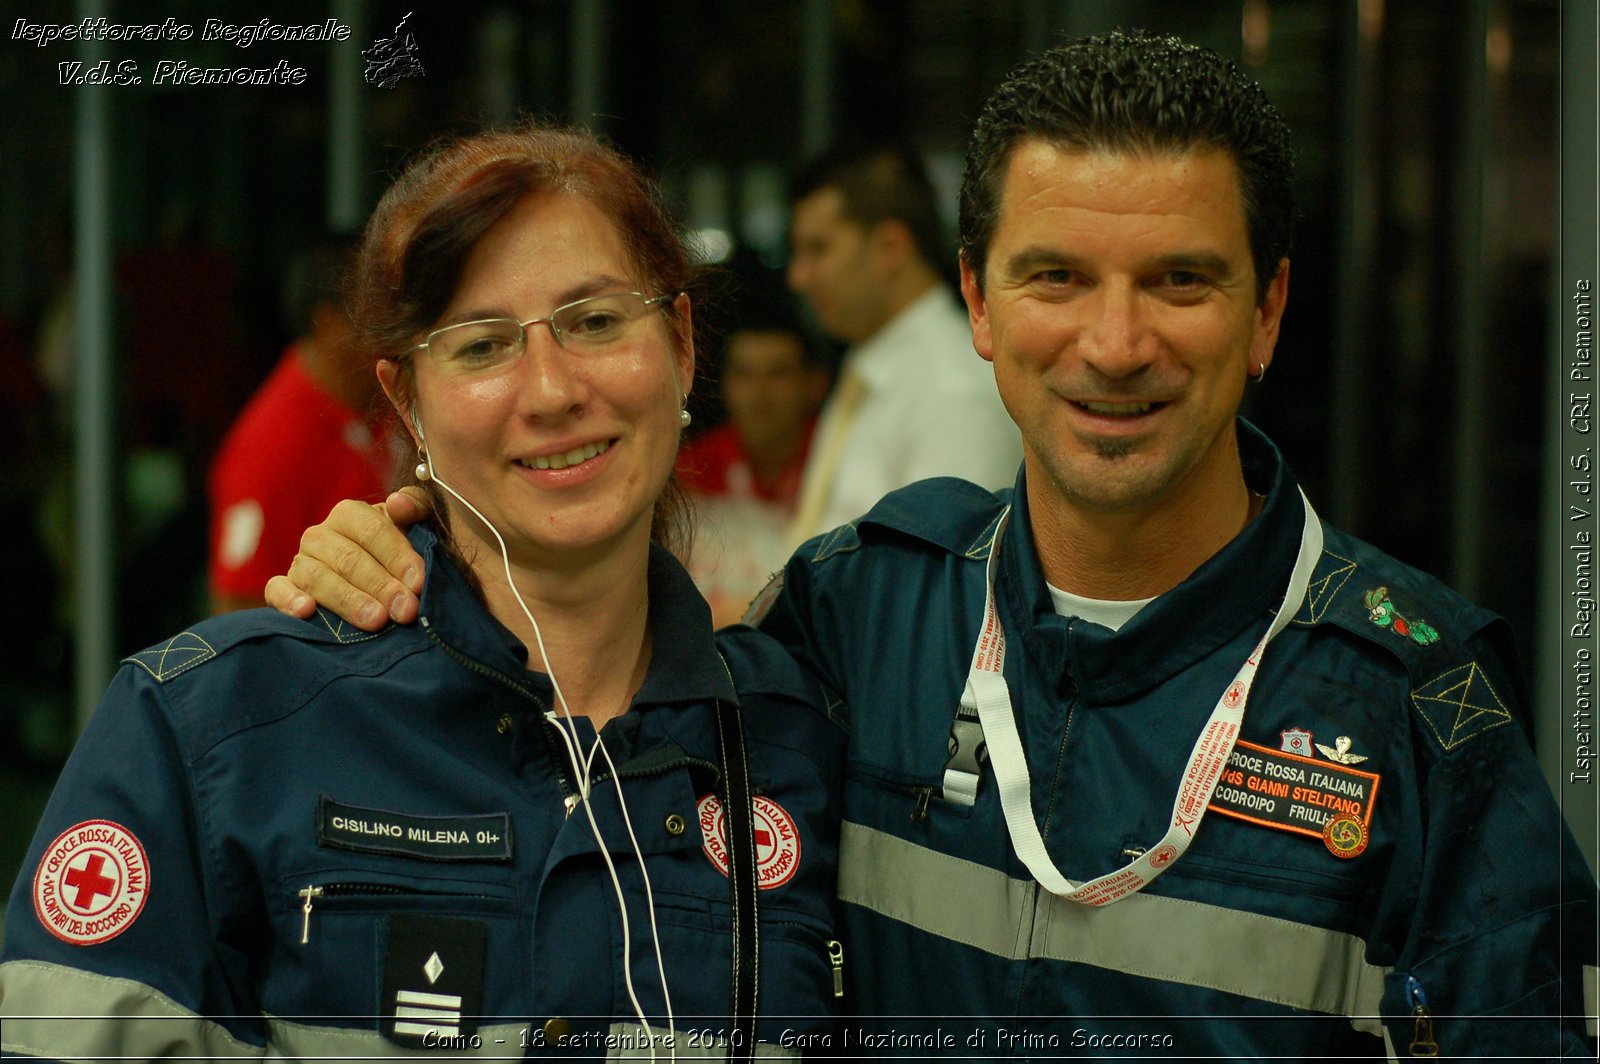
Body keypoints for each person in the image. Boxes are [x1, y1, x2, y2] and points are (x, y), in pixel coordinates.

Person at [264, 33, 1597, 1059]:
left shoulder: (1417, 714)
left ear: (1268, 313)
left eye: (1181, 282)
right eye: (1055, 276)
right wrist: (430, 553)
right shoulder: (856, 620)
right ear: (974, 299)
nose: (1116, 343)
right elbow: (595, 748)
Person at [0, 124, 846, 1060]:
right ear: (407, 404)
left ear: (681, 345)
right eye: (481, 346)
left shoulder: (804, 738)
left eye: (598, 321)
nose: (553, 389)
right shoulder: (212, 730)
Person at [784, 145, 1020, 542]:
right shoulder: (871, 365)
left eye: (819, 248)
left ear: (890, 247)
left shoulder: (953, 391)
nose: (799, 277)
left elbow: (941, 591)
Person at [208, 240, 399, 612]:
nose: (394, 330)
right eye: (379, 314)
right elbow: (238, 603)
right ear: (329, 324)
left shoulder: (379, 398)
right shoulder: (269, 446)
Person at [678, 313, 829, 626]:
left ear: (814, 384)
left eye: (777, 374)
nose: (759, 392)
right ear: (725, 386)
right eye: (744, 375)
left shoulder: (841, 461)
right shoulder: (691, 470)